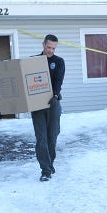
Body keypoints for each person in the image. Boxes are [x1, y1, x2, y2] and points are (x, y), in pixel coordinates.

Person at [32, 34, 65, 182]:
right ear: (43, 45)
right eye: (48, 47)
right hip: (37, 105)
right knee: (41, 139)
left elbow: (58, 82)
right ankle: (45, 170)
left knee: (52, 137)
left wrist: (55, 95)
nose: (50, 50)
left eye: (53, 48)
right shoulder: (33, 62)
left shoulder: (58, 62)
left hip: (53, 103)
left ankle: (50, 163)